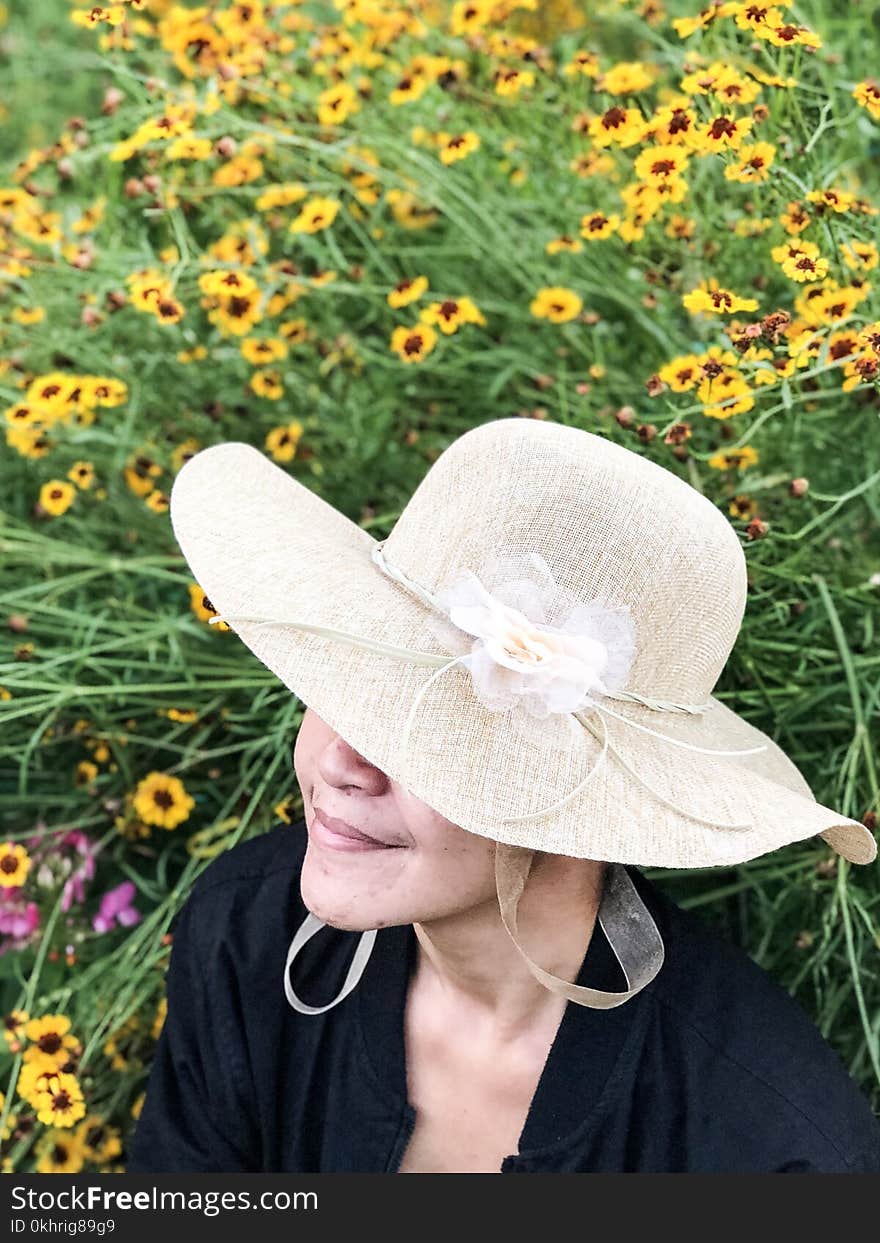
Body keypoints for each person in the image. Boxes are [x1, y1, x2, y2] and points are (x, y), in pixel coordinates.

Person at [127, 417, 880, 1172]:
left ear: (573, 795)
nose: (341, 760)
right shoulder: (246, 935)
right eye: (349, 683)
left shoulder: (768, 1144)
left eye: (431, 736)